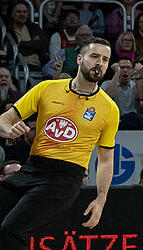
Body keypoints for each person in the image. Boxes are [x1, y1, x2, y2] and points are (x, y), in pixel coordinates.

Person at [0, 37, 118, 249]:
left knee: (11, 230)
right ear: (80, 59)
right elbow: (5, 119)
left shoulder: (109, 108)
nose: (100, 62)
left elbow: (106, 160)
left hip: (63, 179)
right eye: (94, 56)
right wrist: (8, 129)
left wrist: (101, 199)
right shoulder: (47, 88)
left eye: (105, 59)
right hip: (31, 168)